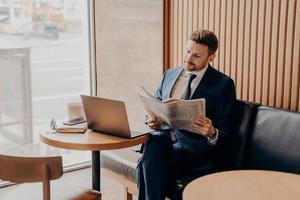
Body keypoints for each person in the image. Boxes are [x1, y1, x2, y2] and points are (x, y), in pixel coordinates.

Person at [136, 29, 236, 200]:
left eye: (196, 55)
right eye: (187, 51)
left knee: (148, 159)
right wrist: (151, 120)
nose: (188, 58)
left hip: (194, 147)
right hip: (164, 138)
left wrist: (211, 132)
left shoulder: (223, 84)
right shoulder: (170, 74)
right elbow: (155, 106)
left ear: (210, 57)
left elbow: (227, 131)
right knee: (153, 142)